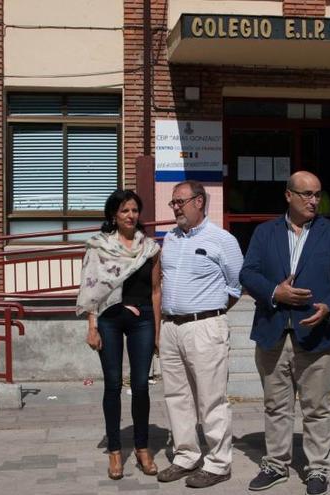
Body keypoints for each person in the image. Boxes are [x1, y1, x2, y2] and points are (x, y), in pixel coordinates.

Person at [240, 171, 330, 495]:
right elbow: (247, 273)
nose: (313, 201)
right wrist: (275, 293)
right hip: (273, 333)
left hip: (318, 335)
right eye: (306, 194)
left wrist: (329, 307)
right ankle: (276, 465)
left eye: (317, 194)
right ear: (288, 195)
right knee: (276, 406)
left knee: (316, 409)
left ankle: (317, 469)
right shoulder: (265, 233)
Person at [156, 180, 244, 489]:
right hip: (170, 328)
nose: (175, 208)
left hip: (205, 327)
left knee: (211, 398)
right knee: (177, 396)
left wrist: (211, 313)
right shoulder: (171, 238)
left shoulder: (223, 240)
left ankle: (219, 463)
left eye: (180, 202)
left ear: (199, 202)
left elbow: (236, 286)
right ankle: (185, 456)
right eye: (173, 203)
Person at [76, 189, 161, 481]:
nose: (130, 215)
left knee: (140, 386)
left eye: (135, 210)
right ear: (113, 214)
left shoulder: (150, 248)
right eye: (124, 210)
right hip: (109, 320)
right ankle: (115, 451)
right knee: (112, 385)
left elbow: (156, 290)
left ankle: (142, 447)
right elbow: (91, 288)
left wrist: (158, 332)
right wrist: (91, 326)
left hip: (143, 320)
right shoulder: (99, 246)